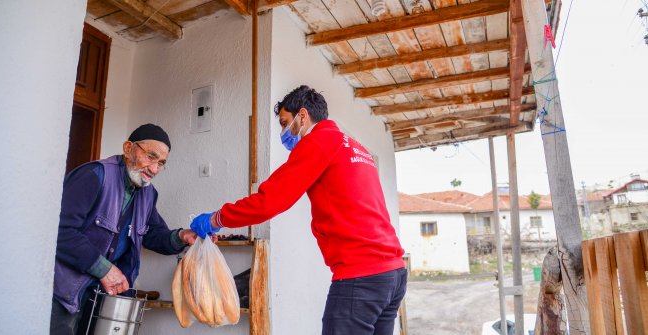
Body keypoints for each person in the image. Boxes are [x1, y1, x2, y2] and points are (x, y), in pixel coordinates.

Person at [190, 85, 406, 334]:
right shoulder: (354, 146)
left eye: (284, 123)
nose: (283, 132)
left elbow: (269, 202)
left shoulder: (318, 141)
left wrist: (217, 218)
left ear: (302, 116)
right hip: (393, 273)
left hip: (362, 275)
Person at [50, 124, 197, 334]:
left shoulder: (148, 193)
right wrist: (105, 269)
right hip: (66, 292)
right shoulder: (93, 175)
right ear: (128, 148)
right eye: (150, 156)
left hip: (103, 296)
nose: (154, 169)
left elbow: (154, 235)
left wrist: (182, 236)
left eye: (161, 163)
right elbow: (60, 232)